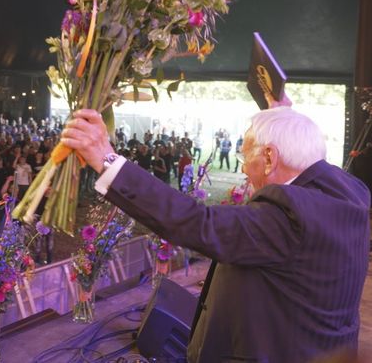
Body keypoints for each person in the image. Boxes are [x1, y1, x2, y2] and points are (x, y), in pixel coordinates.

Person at [60, 96, 371, 363]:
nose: (245, 170)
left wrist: (107, 159)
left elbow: (199, 223)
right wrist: (284, 116)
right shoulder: (349, 193)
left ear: (269, 157)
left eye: (245, 156)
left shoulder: (289, 216)